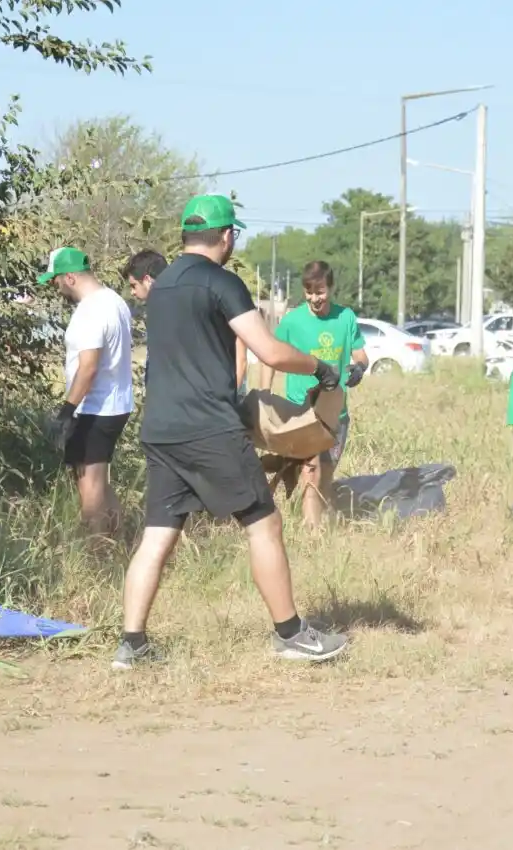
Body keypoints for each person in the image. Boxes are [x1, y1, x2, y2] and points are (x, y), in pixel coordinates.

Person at [113, 194, 347, 669]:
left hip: (159, 428)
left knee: (158, 534)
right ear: (227, 235)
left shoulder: (159, 289)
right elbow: (271, 352)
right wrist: (323, 368)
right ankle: (292, 635)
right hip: (208, 427)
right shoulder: (222, 282)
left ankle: (131, 645)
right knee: (264, 522)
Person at [260, 260, 368, 527]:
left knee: (324, 475)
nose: (314, 298)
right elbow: (269, 357)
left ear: (330, 288)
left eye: (319, 291)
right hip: (301, 412)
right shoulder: (292, 321)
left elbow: (361, 355)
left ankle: (321, 518)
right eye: (309, 291)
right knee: (312, 470)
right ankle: (311, 535)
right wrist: (264, 394)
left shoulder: (346, 317)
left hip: (335, 414)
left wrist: (360, 368)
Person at [39, 246, 133, 536]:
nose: (55, 287)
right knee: (101, 482)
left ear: (69, 278)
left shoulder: (90, 311)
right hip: (117, 404)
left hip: (94, 408)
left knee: (89, 484)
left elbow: (89, 367)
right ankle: (120, 539)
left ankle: (97, 557)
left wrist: (67, 411)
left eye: (55, 280)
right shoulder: (115, 301)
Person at [123, 249, 249, 392]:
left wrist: (230, 398)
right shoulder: (159, 310)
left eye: (134, 285)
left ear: (147, 280)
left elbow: (239, 355)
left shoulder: (192, 302)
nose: (132, 292)